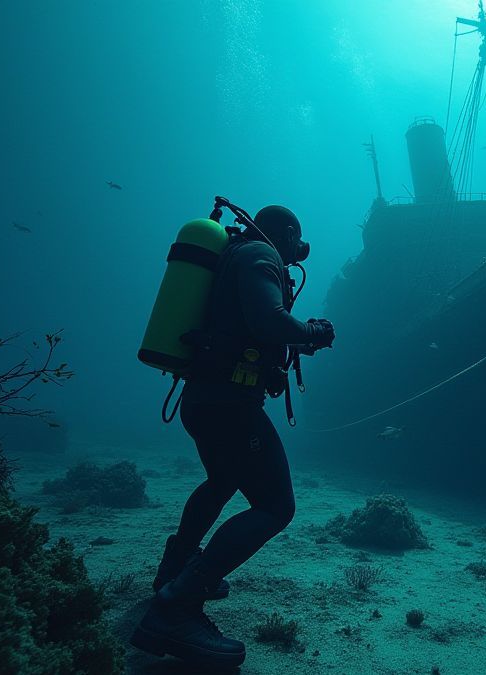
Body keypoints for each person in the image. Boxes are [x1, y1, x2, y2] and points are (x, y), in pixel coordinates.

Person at [130, 205, 335, 669]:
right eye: (296, 240)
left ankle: (175, 568)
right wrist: (315, 332)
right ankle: (177, 606)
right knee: (275, 507)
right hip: (230, 407)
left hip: (203, 401)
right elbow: (269, 321)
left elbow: (250, 329)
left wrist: (284, 352)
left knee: (221, 481)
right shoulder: (263, 253)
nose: (296, 253)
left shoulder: (236, 255)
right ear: (284, 232)